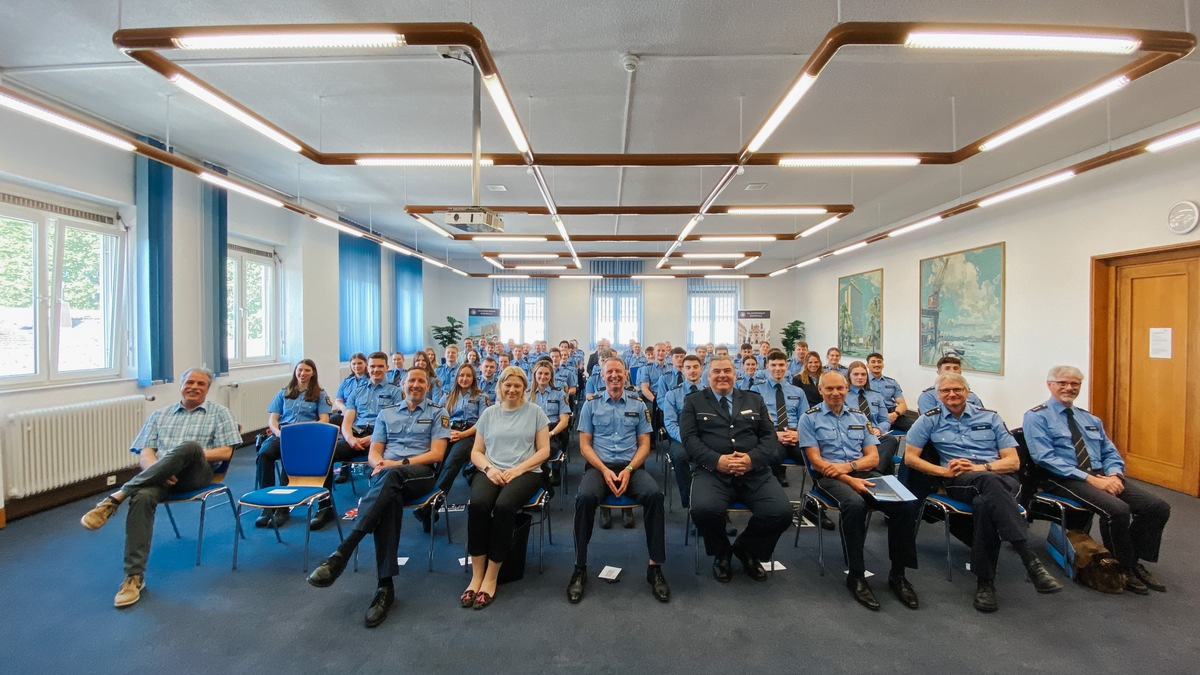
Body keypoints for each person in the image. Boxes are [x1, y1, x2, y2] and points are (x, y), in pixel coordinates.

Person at [81, 368, 241, 608]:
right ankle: (133, 577)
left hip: (197, 474)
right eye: (190, 382)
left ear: (207, 389)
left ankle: (117, 496)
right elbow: (145, 452)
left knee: (190, 447)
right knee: (142, 496)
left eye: (201, 384)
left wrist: (183, 458)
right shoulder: (159, 414)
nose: (194, 387)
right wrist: (162, 470)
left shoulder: (219, 413)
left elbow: (225, 452)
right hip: (161, 477)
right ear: (181, 385)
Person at [904, 373, 1063, 612]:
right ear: (938, 395)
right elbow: (910, 458)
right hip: (961, 481)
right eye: (946, 391)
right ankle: (1027, 557)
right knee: (987, 489)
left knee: (984, 503)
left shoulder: (990, 417)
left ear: (968, 392)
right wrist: (944, 472)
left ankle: (986, 584)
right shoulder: (929, 420)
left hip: (1002, 479)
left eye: (957, 389)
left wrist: (982, 467)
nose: (952, 395)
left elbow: (1012, 462)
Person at [307, 367, 449, 627]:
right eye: (412, 381)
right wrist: (381, 464)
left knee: (390, 479)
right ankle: (385, 587)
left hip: (420, 474)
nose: (416, 385)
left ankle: (343, 551)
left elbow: (437, 454)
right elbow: (375, 452)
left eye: (421, 381)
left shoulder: (438, 413)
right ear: (403, 384)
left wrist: (398, 463)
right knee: (389, 497)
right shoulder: (387, 413)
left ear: (428, 386)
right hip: (387, 474)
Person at [1023, 365, 1169, 594]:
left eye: (1074, 384)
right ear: (1050, 385)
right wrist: (1092, 480)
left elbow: (1110, 451)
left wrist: (1113, 474)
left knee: (1157, 507)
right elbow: (1044, 458)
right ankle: (1124, 568)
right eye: (1063, 383)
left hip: (1101, 474)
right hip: (1064, 477)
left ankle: (1132, 558)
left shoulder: (1089, 418)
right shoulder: (1036, 416)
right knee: (1117, 510)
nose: (1069, 388)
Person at [798, 371, 920, 611]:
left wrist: (851, 468)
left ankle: (898, 574)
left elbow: (873, 458)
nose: (835, 393)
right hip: (829, 478)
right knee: (855, 505)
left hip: (862, 472)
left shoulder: (858, 415)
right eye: (829, 389)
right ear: (820, 390)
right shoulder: (809, 419)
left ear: (847, 390)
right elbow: (817, 463)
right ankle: (856, 574)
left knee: (905, 504)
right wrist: (849, 479)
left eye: (840, 389)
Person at [680, 355, 792, 583]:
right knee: (703, 511)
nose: (722, 375)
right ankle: (721, 552)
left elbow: (769, 436)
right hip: (712, 471)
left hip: (754, 471)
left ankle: (746, 549)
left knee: (781, 513)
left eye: (727, 371)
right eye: (716, 371)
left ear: (735, 374)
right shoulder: (694, 401)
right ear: (707, 375)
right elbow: (689, 439)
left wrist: (751, 459)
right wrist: (717, 460)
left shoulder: (754, 399)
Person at [568, 357, 670, 604]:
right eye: (609, 372)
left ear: (626, 375)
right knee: (584, 498)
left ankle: (654, 567)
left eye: (618, 371)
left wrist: (629, 469)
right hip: (598, 467)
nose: (614, 375)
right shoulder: (591, 405)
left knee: (655, 496)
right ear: (601, 376)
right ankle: (579, 567)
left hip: (631, 467)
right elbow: (584, 445)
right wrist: (603, 469)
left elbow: (645, 444)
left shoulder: (638, 404)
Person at [461, 366, 551, 609]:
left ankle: (491, 575)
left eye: (517, 386)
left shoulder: (535, 412)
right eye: (507, 385)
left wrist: (518, 470)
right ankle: (476, 575)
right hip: (491, 469)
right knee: (478, 505)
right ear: (500, 386)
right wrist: (490, 469)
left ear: (524, 388)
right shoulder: (489, 413)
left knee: (504, 506)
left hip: (526, 472)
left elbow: (544, 451)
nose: (511, 390)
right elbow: (476, 452)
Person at [315, 352, 402, 528]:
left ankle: (378, 508)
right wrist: (349, 438)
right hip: (357, 435)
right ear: (368, 369)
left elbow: (395, 422)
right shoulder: (357, 392)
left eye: (380, 366)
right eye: (372, 366)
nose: (376, 370)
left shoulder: (395, 392)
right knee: (326, 455)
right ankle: (325, 507)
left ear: (386, 368)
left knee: (385, 463)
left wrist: (373, 438)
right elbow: (347, 420)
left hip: (382, 438)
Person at [255, 359, 332, 527]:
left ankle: (282, 508)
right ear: (295, 372)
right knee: (264, 454)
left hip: (305, 436)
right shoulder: (284, 392)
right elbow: (273, 419)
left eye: (307, 370)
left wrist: (305, 432)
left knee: (288, 459)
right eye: (300, 370)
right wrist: (277, 432)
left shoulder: (320, 394)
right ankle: (267, 505)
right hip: (283, 433)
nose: (302, 373)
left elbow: (324, 420)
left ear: (313, 373)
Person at [431, 364, 486, 504]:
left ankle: (434, 504)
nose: (464, 378)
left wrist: (462, 435)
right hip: (449, 433)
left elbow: (483, 423)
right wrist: (447, 433)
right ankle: (431, 501)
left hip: (470, 434)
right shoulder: (447, 397)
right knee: (439, 463)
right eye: (461, 375)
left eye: (468, 375)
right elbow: (440, 420)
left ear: (474, 378)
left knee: (452, 462)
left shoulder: (480, 396)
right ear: (456, 378)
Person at [752, 350, 805, 487]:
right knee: (772, 455)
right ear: (767, 367)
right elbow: (754, 421)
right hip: (772, 433)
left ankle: (819, 489)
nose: (777, 369)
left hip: (794, 434)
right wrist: (775, 434)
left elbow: (805, 418)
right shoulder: (757, 390)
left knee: (813, 455)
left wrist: (798, 434)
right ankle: (775, 482)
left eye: (781, 365)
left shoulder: (798, 392)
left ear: (786, 366)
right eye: (773, 365)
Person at [661, 354, 706, 508]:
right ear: (682, 371)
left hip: (706, 437)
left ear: (701, 369)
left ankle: (718, 505)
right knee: (680, 457)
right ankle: (691, 505)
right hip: (681, 438)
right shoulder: (672, 394)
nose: (692, 371)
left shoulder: (710, 393)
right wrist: (688, 439)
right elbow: (670, 423)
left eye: (695, 367)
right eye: (688, 367)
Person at [846, 361, 900, 475]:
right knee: (888, 462)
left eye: (863, 374)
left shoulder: (875, 395)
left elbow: (885, 420)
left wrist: (879, 429)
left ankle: (873, 471)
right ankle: (876, 474)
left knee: (890, 440)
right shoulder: (843, 396)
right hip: (854, 437)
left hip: (875, 436)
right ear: (849, 376)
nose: (860, 377)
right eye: (856, 374)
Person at [529, 361, 572, 467]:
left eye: (546, 374)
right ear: (535, 375)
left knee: (549, 449)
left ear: (551, 376)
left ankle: (550, 470)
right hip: (531, 431)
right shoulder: (526, 394)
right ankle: (542, 472)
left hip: (552, 431)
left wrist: (550, 434)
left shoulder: (559, 393)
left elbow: (564, 421)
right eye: (540, 373)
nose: (543, 376)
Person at [917, 355, 983, 414]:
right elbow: (930, 422)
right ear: (939, 372)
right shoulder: (928, 396)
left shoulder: (971, 395)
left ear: (960, 372)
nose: (952, 372)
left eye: (956, 368)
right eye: (947, 368)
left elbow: (982, 416)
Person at [866, 352, 911, 433]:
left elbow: (902, 404)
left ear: (883, 364)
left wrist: (895, 414)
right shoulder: (863, 383)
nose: (877, 364)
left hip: (893, 416)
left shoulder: (892, 382)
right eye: (873, 362)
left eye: (879, 362)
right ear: (867, 365)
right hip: (873, 417)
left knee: (919, 428)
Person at [331, 352, 369, 427]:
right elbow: (338, 401)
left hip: (362, 414)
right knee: (331, 422)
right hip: (345, 413)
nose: (356, 366)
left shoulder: (371, 381)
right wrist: (343, 408)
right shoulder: (346, 382)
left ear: (366, 364)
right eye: (354, 364)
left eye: (360, 363)